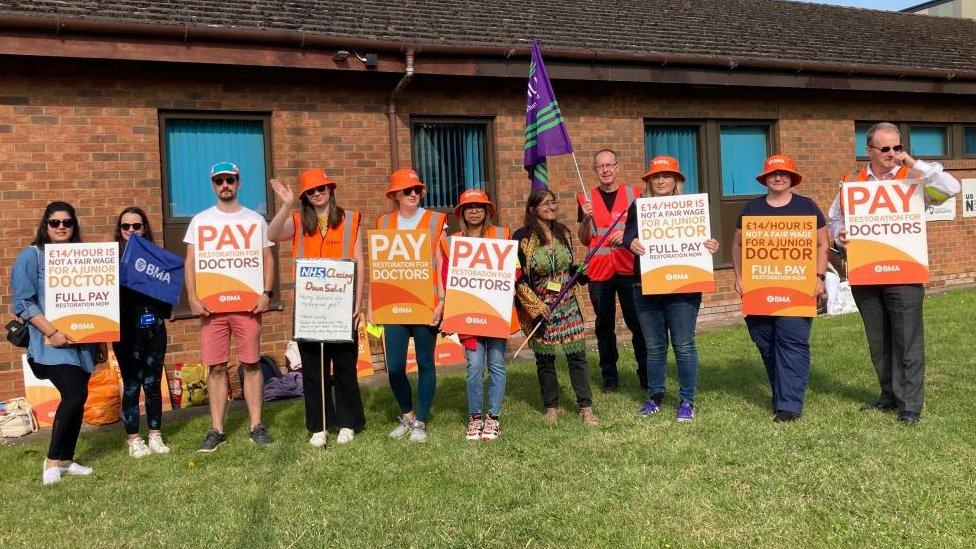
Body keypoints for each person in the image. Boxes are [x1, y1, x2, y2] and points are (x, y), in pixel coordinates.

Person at [826, 122, 960, 424]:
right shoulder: (853, 181)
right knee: (879, 340)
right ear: (869, 150)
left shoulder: (913, 178)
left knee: (908, 340)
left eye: (897, 147)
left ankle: (910, 404)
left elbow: (951, 188)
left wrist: (912, 162)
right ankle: (888, 395)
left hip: (904, 272)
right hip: (867, 273)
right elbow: (834, 218)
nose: (892, 153)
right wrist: (839, 235)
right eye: (885, 148)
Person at [267, 168, 367, 446]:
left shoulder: (350, 220)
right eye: (311, 191)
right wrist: (286, 204)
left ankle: (348, 421)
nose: (318, 193)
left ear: (330, 189)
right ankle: (319, 425)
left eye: (321, 188)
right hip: (310, 310)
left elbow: (359, 262)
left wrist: (359, 303)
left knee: (345, 365)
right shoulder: (298, 221)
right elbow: (272, 234)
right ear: (306, 197)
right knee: (313, 369)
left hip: (342, 306)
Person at [184, 162, 276, 451]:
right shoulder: (200, 220)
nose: (225, 185)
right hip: (212, 309)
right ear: (213, 185)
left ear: (239, 182)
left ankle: (256, 426)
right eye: (219, 180)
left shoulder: (255, 219)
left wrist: (266, 293)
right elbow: (190, 262)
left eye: (230, 180)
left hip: (248, 305)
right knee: (216, 367)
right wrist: (193, 297)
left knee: (251, 364)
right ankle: (216, 429)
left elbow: (268, 259)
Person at [732, 154, 828, 422]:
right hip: (759, 289)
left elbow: (822, 244)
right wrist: (739, 277)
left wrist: (819, 277)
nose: (778, 177)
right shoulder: (751, 209)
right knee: (765, 342)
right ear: (765, 179)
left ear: (791, 179)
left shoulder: (807, 206)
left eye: (783, 174)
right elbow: (738, 245)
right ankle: (782, 393)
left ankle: (789, 406)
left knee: (792, 342)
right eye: (773, 174)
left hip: (796, 289)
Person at [622, 156, 720, 421]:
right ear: (649, 181)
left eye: (666, 176)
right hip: (646, 285)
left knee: (684, 345)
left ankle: (687, 401)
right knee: (654, 347)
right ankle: (654, 397)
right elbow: (627, 235)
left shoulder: (690, 207)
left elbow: (704, 239)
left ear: (676, 180)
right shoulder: (639, 207)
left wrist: (711, 245)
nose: (661, 180)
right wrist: (632, 242)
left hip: (683, 287)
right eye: (656, 176)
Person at [12, 202, 100, 484]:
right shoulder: (32, 256)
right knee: (73, 395)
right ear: (45, 225)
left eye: (67, 222)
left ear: (74, 226)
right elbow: (23, 302)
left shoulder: (82, 257)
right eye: (54, 222)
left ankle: (66, 460)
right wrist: (51, 332)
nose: (61, 226)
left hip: (81, 344)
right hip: (48, 345)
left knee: (79, 397)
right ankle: (50, 462)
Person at [373, 168, 447, 443]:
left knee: (426, 363)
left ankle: (422, 421)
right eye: (407, 190)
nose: (414, 194)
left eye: (417, 189)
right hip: (393, 306)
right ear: (395, 195)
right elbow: (378, 267)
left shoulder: (435, 220)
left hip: (426, 304)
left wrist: (441, 301)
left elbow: (441, 263)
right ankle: (406, 415)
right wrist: (373, 304)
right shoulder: (383, 222)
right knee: (394, 367)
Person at [515, 189, 598, 426]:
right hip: (541, 305)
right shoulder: (521, 237)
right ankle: (551, 406)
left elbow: (568, 266)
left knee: (577, 356)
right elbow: (517, 275)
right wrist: (536, 305)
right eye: (545, 203)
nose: (551, 207)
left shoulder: (563, 233)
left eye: (553, 202)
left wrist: (578, 272)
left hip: (568, 302)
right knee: (545, 359)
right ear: (532, 209)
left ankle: (585, 407)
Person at [577, 149, 647, 392]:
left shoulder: (635, 195)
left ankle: (645, 375)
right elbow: (584, 239)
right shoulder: (585, 200)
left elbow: (646, 231)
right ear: (595, 170)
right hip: (599, 271)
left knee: (638, 323)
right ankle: (610, 378)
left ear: (617, 167)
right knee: (604, 326)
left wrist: (628, 235)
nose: (605, 170)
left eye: (609, 165)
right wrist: (586, 219)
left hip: (629, 269)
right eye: (600, 166)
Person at [449, 189, 511, 441]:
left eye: (479, 207)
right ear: (462, 212)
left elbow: (513, 267)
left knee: (496, 363)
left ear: (487, 211)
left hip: (495, 311)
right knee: (474, 366)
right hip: (468, 314)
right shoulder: (452, 241)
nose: (474, 211)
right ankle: (475, 417)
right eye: (469, 207)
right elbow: (446, 275)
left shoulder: (500, 235)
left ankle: (493, 418)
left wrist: (511, 274)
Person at [112, 207, 173, 457]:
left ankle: (155, 435)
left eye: (136, 226)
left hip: (154, 329)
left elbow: (168, 301)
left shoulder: (159, 260)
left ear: (144, 228)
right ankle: (133, 439)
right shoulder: (111, 261)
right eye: (126, 227)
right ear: (120, 230)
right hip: (126, 333)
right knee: (131, 385)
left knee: (153, 384)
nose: (131, 231)